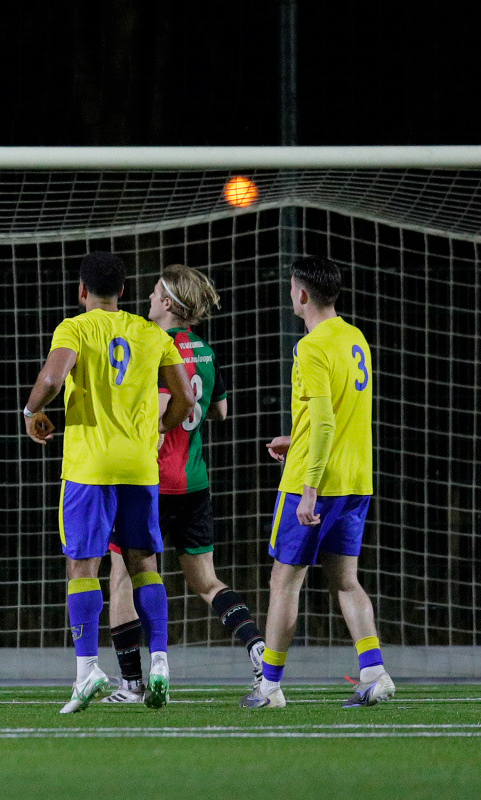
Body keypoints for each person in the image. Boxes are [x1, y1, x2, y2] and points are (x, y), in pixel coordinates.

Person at [23, 251, 193, 712]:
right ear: (123, 291)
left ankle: (87, 670)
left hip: (89, 468)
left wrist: (31, 411)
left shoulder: (74, 328)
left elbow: (52, 377)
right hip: (139, 468)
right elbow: (183, 398)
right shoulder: (150, 333)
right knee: (145, 566)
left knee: (83, 567)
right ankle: (159, 661)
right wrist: (160, 428)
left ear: (82, 291)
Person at [102, 264, 265, 703]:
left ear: (169, 304)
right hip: (194, 483)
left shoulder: (156, 347)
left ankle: (133, 682)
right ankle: (256, 649)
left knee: (123, 576)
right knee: (208, 582)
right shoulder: (207, 352)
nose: (150, 299)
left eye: (156, 293)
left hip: (151, 483)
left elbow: (158, 415)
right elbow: (220, 411)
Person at [241, 256, 393, 710]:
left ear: (302, 295)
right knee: (346, 580)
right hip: (355, 478)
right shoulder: (354, 337)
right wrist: (298, 435)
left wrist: (308, 486)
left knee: (284, 581)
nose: (291, 295)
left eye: (292, 289)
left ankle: (269, 688)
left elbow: (326, 421)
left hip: (316, 482)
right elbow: (341, 411)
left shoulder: (310, 347)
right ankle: (374, 673)